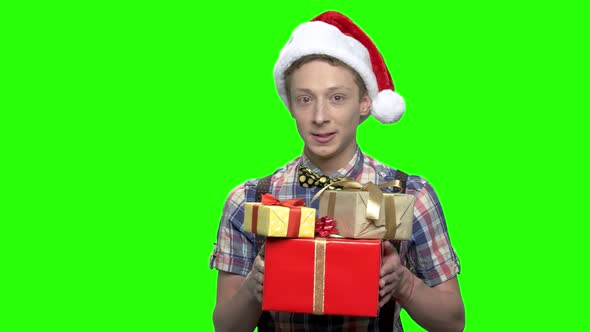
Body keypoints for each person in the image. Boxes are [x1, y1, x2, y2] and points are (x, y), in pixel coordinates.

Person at [210, 11, 464, 332]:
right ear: (290, 105)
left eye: (337, 98)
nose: (320, 116)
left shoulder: (410, 193)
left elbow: (453, 322)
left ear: (365, 103)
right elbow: (226, 327)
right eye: (305, 99)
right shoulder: (249, 199)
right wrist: (254, 287)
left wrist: (404, 283)